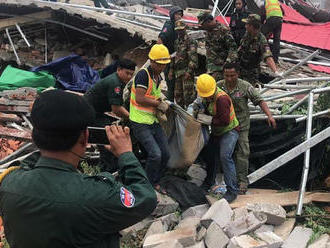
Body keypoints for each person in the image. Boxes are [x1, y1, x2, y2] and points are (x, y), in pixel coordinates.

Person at [0, 90, 157, 248]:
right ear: (84, 138)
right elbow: (146, 198)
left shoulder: (9, 182)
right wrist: (126, 155)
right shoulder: (97, 195)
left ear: (34, 136)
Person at [218, 62, 276, 194]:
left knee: (243, 152)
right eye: (227, 75)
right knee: (225, 153)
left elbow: (259, 100)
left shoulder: (245, 86)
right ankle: (226, 179)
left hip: (241, 124)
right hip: (225, 125)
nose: (229, 79)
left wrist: (269, 115)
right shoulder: (219, 86)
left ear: (237, 74)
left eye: (232, 75)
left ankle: (242, 181)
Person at [191, 74, 240, 203]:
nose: (205, 96)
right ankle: (209, 182)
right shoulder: (205, 97)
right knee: (210, 154)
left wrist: (208, 120)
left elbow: (224, 121)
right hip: (217, 132)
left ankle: (232, 191)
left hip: (229, 130)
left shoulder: (222, 99)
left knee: (225, 156)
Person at [129, 44, 171, 194]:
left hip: (152, 120)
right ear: (152, 61)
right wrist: (158, 104)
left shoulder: (157, 76)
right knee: (155, 154)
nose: (161, 67)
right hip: (140, 121)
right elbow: (140, 98)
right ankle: (147, 184)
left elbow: (154, 94)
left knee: (165, 153)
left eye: (164, 65)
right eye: (159, 64)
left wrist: (161, 101)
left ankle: (156, 180)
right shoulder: (143, 75)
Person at [84, 59, 136, 172]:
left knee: (108, 131)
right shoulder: (115, 83)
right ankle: (107, 168)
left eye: (131, 74)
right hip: (90, 112)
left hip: (96, 111)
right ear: (119, 70)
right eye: (127, 73)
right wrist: (133, 118)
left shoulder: (119, 80)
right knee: (107, 135)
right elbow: (116, 109)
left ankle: (108, 165)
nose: (129, 76)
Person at [239, 14, 282, 86]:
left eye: (247, 24)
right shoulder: (247, 34)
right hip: (240, 69)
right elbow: (241, 48)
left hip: (250, 74)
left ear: (252, 26)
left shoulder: (261, 40)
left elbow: (268, 57)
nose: (245, 26)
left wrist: (275, 71)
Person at [197, 12, 238, 82]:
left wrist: (227, 64)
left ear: (208, 21)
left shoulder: (223, 30)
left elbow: (233, 48)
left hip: (220, 69)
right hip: (210, 68)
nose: (202, 26)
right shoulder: (208, 31)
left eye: (203, 24)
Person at [158, 6, 184, 102]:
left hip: (175, 58)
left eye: (181, 14)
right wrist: (164, 56)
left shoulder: (177, 25)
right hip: (168, 59)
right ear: (172, 15)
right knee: (170, 84)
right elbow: (160, 41)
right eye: (177, 14)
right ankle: (169, 105)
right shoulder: (169, 26)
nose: (179, 16)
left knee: (176, 85)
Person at [170, 20, 198, 108]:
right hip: (178, 73)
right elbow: (174, 56)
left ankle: (190, 115)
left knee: (188, 97)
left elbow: (193, 58)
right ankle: (181, 114)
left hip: (186, 72)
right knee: (178, 96)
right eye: (178, 30)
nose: (179, 32)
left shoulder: (191, 41)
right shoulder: (176, 42)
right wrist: (171, 70)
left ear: (185, 28)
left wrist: (189, 72)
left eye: (181, 29)